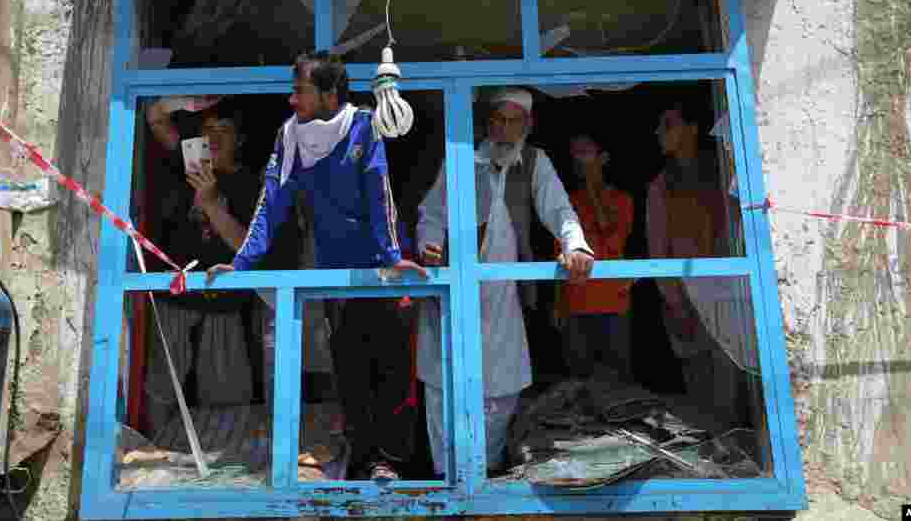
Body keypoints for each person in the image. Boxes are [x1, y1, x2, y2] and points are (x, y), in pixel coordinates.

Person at [207, 51, 426, 481]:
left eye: (299, 91)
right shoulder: (289, 135)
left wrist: (392, 256)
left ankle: (396, 463)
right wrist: (242, 262)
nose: (291, 100)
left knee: (392, 369)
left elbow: (380, 195)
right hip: (334, 274)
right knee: (349, 370)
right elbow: (271, 200)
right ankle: (364, 461)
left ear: (329, 93)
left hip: (382, 272)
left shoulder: (365, 126)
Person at [416, 87, 594, 476]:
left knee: (501, 388)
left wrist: (576, 245)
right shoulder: (463, 158)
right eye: (499, 120)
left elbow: (559, 209)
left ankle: (485, 475)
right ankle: (445, 480)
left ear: (527, 126)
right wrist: (429, 246)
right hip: (453, 289)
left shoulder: (534, 162)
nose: (505, 129)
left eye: (514, 122)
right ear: (488, 122)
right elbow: (431, 213)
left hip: (504, 292)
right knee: (443, 387)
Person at [142, 98, 263, 431]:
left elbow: (247, 248)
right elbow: (155, 117)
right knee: (162, 386)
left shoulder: (252, 184)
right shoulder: (188, 163)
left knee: (226, 396)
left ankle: (226, 459)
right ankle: (154, 449)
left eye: (224, 130)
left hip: (225, 302)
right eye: (208, 129)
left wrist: (210, 203)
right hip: (175, 296)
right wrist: (185, 100)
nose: (214, 137)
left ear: (239, 139)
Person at [646, 97, 756, 428]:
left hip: (728, 296)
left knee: (731, 387)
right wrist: (676, 302)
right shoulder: (661, 185)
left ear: (693, 128)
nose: (659, 133)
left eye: (669, 125)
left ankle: (732, 456)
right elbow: (658, 252)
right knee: (700, 389)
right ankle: (712, 459)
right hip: (686, 301)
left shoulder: (725, 174)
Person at [556, 132, 635, 380]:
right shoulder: (565, 203)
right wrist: (558, 304)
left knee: (617, 383)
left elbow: (612, 238)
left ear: (603, 158)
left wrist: (592, 187)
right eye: (575, 155)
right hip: (575, 302)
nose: (579, 161)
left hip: (613, 301)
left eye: (586, 153)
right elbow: (559, 254)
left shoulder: (622, 200)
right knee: (578, 384)